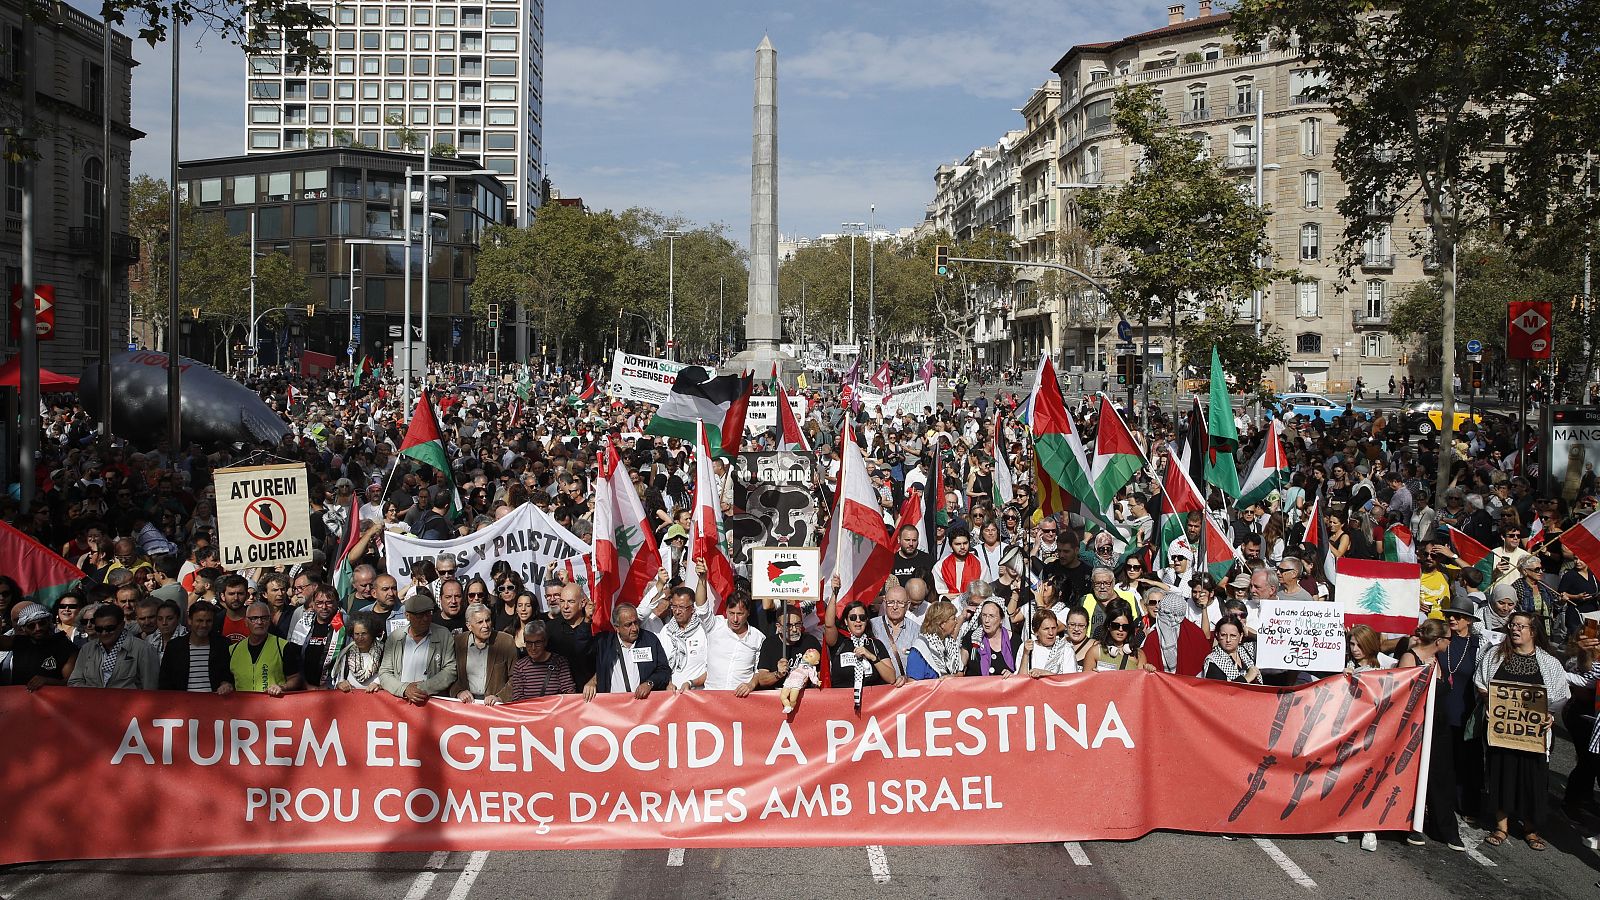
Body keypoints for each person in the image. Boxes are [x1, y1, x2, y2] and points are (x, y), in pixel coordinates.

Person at [1475, 610, 1571, 851]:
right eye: (1513, 625)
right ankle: (1501, 826)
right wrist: (1490, 702)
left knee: (1533, 779)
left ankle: (1530, 829)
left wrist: (1549, 716)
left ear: (1533, 631)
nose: (1515, 630)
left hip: (1534, 736)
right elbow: (1481, 684)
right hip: (1502, 733)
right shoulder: (1494, 656)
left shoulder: (1549, 663)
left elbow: (1559, 696)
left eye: (1521, 626)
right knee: (1501, 774)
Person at [1395, 618, 1466, 850]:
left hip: (1438, 726)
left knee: (1442, 775)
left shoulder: (1437, 660)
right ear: (1438, 640)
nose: (1450, 643)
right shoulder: (1410, 657)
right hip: (1416, 726)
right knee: (1411, 774)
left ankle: (1444, 828)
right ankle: (1408, 824)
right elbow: (1404, 693)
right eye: (1448, 639)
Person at [823, 579, 901, 710]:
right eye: (853, 618)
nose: (858, 621)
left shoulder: (875, 644)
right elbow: (829, 624)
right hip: (840, 706)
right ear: (846, 622)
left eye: (862, 617)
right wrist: (834, 594)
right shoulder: (839, 642)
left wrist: (872, 657)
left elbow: (891, 678)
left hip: (872, 707)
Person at [377, 593, 457, 705]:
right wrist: (404, 689)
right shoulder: (395, 638)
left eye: (428, 613)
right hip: (400, 704)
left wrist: (424, 687)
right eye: (419, 615)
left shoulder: (443, 635)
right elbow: (385, 672)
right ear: (407, 615)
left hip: (432, 704)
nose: (425, 619)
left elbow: (450, 670)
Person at [583, 603, 670, 700]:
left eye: (636, 622)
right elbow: (581, 649)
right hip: (613, 707)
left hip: (644, 706)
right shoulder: (604, 642)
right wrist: (586, 621)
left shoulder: (650, 640)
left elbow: (664, 670)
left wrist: (650, 683)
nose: (634, 628)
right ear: (617, 628)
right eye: (628, 625)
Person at [68, 603, 160, 689]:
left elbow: (150, 689)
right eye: (99, 629)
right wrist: (96, 694)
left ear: (121, 625)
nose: (104, 633)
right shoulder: (87, 649)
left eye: (109, 629)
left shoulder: (143, 649)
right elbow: (74, 681)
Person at [226, 601, 304, 696]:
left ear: (269, 621)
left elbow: (295, 678)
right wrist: (225, 685)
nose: (259, 622)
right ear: (246, 622)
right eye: (254, 618)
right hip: (243, 707)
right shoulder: (233, 650)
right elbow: (226, 680)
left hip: (272, 705)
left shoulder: (282, 646)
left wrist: (282, 687)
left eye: (264, 618)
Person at [158, 602, 233, 693]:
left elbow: (229, 675)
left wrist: (225, 684)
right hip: (183, 703)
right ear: (190, 620)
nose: (204, 625)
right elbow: (165, 682)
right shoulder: (174, 647)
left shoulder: (223, 645)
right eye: (199, 620)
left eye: (208, 621)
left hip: (215, 702)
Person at [0, 604, 77, 689]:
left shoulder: (64, 645)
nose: (38, 628)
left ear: (49, 622)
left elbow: (72, 682)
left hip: (54, 699)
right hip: (21, 699)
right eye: (31, 626)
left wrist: (48, 681)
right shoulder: (19, 641)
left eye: (42, 623)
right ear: (23, 628)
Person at [452, 603, 516, 704]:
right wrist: (458, 692)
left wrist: (500, 698)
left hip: (495, 707)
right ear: (469, 626)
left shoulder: (506, 642)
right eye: (480, 622)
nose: (485, 625)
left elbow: (516, 677)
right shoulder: (458, 642)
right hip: (466, 705)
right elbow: (450, 674)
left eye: (488, 620)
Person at [705, 593, 765, 695]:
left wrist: (751, 685)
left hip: (740, 700)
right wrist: (702, 580)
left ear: (748, 613)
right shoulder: (715, 626)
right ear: (726, 611)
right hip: (711, 696)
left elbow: (759, 671)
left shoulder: (758, 637)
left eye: (740, 614)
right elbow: (701, 608)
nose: (735, 619)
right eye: (731, 613)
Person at [755, 604, 825, 691]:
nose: (794, 629)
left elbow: (822, 674)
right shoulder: (769, 644)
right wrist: (778, 674)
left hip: (804, 695)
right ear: (779, 627)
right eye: (788, 625)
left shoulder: (810, 641)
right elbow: (762, 680)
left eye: (798, 624)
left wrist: (813, 680)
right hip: (776, 695)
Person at [1141, 589, 1209, 677]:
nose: (1169, 618)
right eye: (1165, 613)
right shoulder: (1153, 637)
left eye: (1169, 613)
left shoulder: (1195, 634)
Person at [509, 620, 576, 699]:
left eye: (537, 643)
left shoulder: (559, 663)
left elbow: (569, 694)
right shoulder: (520, 667)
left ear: (545, 642)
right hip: (529, 710)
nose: (533, 648)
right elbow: (517, 699)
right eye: (529, 643)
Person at [329, 612, 386, 692]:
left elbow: (390, 676)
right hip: (353, 700)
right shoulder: (347, 653)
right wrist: (341, 684)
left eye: (364, 633)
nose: (360, 638)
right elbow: (339, 680)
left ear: (372, 634)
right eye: (356, 634)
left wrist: (379, 684)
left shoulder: (384, 652)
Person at [1086, 604, 1148, 672]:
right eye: (1115, 625)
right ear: (1108, 626)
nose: (1120, 629)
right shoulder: (1095, 651)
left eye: (1125, 626)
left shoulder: (1139, 655)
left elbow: (1142, 681)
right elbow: (1085, 680)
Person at [964, 599, 1017, 676]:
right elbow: (960, 669)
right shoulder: (971, 638)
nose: (986, 620)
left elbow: (1021, 672)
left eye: (991, 616)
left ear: (1001, 619)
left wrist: (1013, 675)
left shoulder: (1015, 640)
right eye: (984, 615)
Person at [1018, 608, 1078, 677]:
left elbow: (1071, 680)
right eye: (1046, 629)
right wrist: (1025, 654)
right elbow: (1021, 681)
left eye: (1053, 628)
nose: (1051, 633)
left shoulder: (1066, 649)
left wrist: (1047, 674)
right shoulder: (1025, 647)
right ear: (1036, 631)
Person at [1202, 616, 1261, 683]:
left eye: (1233, 635)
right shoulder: (1213, 661)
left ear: (1241, 636)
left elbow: (1266, 645)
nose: (1228, 640)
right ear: (1217, 635)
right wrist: (1247, 678)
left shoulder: (1247, 650)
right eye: (1223, 635)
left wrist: (1253, 635)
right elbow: (1219, 690)